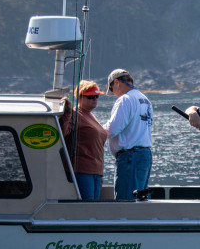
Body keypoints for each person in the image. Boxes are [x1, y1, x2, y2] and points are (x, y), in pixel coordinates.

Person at [104, 69, 153, 200]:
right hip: (145, 156)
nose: (114, 94)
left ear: (117, 82)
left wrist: (94, 132)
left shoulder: (125, 100)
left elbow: (112, 128)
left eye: (112, 89)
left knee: (125, 203)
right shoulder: (145, 99)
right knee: (140, 200)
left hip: (130, 157)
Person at [59, 80, 107, 200]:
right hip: (82, 171)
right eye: (90, 96)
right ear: (80, 98)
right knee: (87, 208)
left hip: (96, 171)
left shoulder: (91, 115)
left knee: (94, 208)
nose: (95, 99)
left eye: (97, 96)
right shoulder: (74, 114)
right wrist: (66, 112)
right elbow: (63, 133)